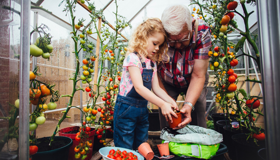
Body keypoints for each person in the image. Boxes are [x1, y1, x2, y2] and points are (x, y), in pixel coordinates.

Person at [113, 18, 179, 150]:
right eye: (155, 43)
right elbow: (139, 88)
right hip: (126, 110)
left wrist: (170, 101)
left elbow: (156, 88)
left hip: (142, 110)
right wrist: (162, 104)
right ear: (143, 38)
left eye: (159, 45)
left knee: (141, 143)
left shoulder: (152, 63)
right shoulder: (133, 59)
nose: (157, 48)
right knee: (125, 145)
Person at [157, 5, 211, 129]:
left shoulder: (202, 32)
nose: (178, 45)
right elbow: (155, 73)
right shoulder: (158, 32)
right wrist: (166, 101)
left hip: (193, 76)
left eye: (182, 39)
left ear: (191, 25)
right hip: (167, 79)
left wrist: (188, 105)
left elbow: (198, 75)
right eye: (172, 41)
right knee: (167, 113)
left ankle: (199, 142)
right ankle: (167, 143)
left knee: (199, 107)